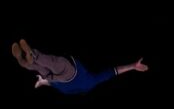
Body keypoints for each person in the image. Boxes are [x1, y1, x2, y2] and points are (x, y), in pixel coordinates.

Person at [11, 39, 148, 95]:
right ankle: (24, 60)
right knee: (38, 67)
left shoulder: (91, 83)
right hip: (53, 79)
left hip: (69, 73)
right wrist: (42, 81)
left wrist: (132, 66)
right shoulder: (66, 90)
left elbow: (113, 72)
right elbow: (113, 72)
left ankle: (32, 55)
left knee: (55, 63)